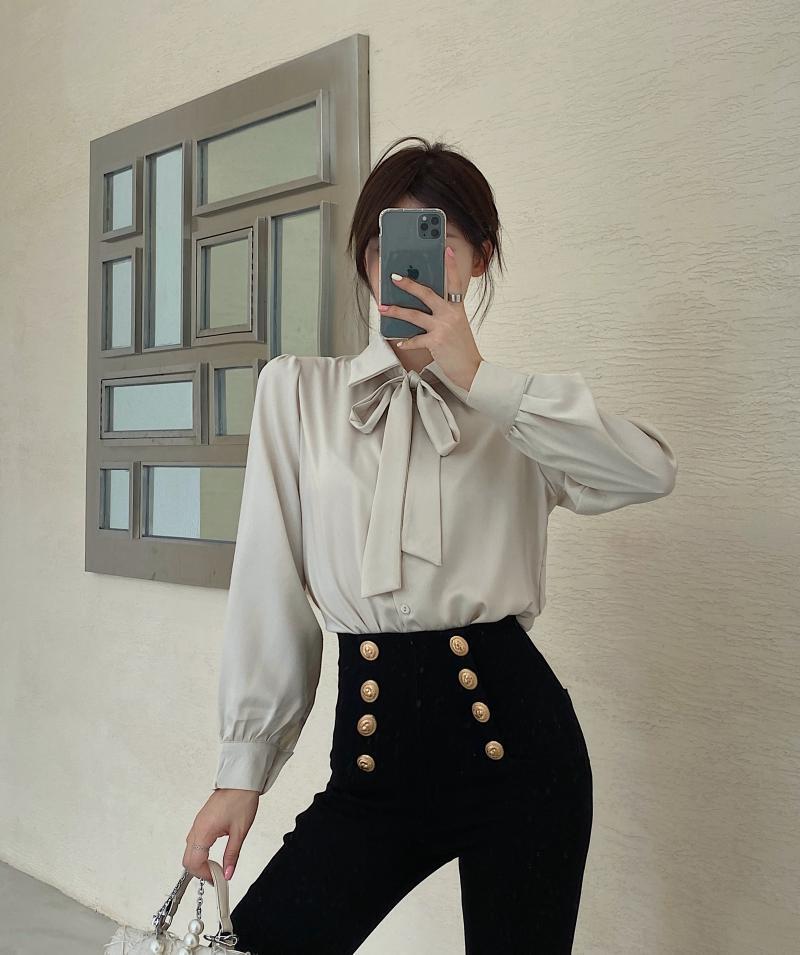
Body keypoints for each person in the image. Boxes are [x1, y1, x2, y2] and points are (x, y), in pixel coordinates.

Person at [182, 136, 678, 954]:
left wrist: (482, 378)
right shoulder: (298, 394)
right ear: (367, 258)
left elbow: (648, 472)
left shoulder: (517, 413)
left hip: (524, 758)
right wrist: (243, 770)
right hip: (373, 766)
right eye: (388, 239)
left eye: (439, 237)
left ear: (478, 259)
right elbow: (268, 586)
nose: (408, 261)